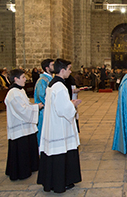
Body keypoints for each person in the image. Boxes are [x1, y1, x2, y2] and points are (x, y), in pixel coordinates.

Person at [37, 59, 82, 193]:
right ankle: (60, 182)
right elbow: (63, 110)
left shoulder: (52, 84)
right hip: (59, 126)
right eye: (69, 69)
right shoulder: (60, 87)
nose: (70, 71)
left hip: (53, 124)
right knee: (60, 152)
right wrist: (73, 105)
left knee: (53, 153)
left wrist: (68, 103)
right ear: (62, 70)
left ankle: (51, 182)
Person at [4, 69, 43, 180]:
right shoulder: (13, 93)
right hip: (20, 128)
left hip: (25, 127)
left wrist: (33, 106)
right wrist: (36, 107)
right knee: (21, 151)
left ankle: (31, 167)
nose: (25, 79)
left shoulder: (19, 91)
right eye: (23, 77)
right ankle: (21, 172)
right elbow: (22, 110)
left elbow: (25, 105)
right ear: (16, 79)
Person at [34, 59, 54, 145]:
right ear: (47, 68)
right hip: (44, 111)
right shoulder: (42, 80)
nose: (54, 66)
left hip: (50, 110)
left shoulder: (50, 79)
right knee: (43, 132)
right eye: (52, 65)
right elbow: (41, 95)